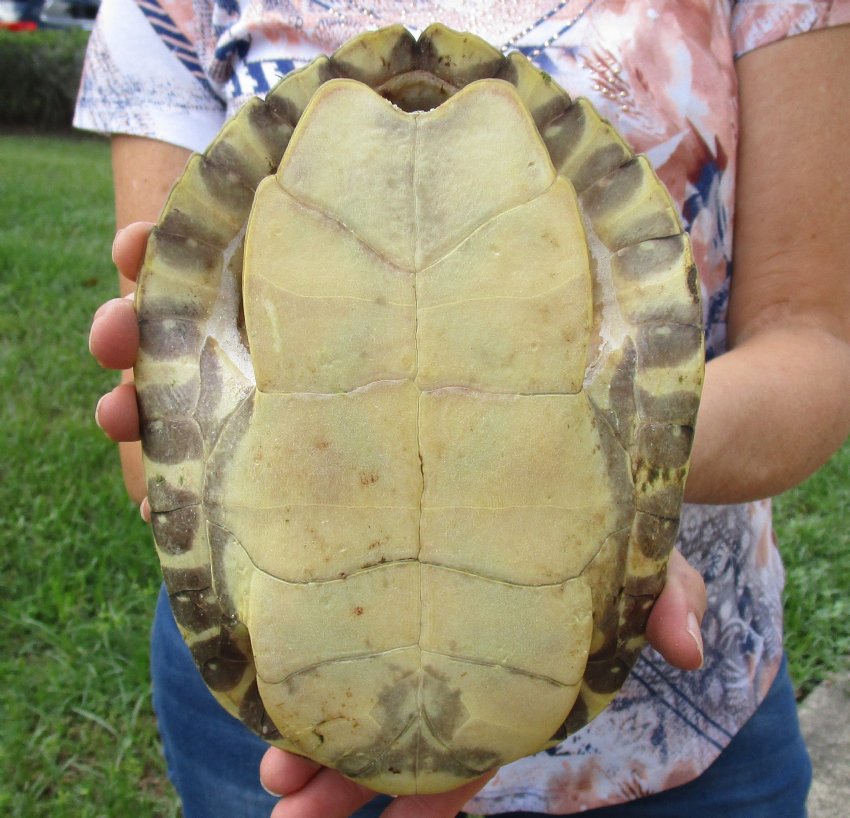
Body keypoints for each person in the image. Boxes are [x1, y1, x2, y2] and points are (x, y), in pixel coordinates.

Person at [81, 2, 850, 816]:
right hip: (285, 743)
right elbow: (154, 437)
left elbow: (817, 335)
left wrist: (636, 483)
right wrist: (623, 496)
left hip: (692, 746)